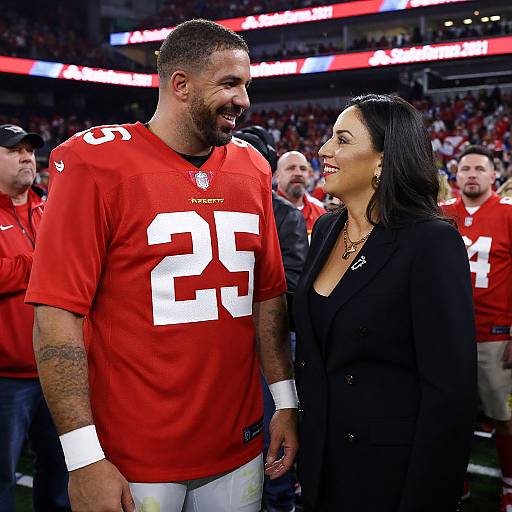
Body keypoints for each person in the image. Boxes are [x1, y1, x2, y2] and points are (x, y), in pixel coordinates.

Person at [25, 19, 298, 512]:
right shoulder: (93, 162)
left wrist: (286, 400)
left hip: (238, 438)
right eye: (231, 84)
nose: (245, 101)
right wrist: (84, 456)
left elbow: (269, 295)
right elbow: (56, 317)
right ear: (180, 85)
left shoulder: (252, 166)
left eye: (247, 86)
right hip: (134, 451)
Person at [293, 94, 477, 512]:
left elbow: (450, 393)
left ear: (382, 159)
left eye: (342, 139)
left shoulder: (431, 241)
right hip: (323, 465)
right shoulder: (325, 229)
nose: (324, 150)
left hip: (390, 475)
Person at [235, 126, 308, 512]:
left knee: (271, 437)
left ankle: (280, 503)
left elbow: (289, 291)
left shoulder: (284, 216)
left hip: (269, 343)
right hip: (225, 345)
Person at [0, 124, 70, 511]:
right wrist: (42, 260)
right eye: (14, 151)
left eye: (30, 151)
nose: (28, 157)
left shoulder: (50, 208)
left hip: (58, 367)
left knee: (60, 472)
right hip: (6, 377)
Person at [442, 145, 512, 512]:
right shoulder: (439, 214)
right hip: (447, 337)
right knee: (451, 416)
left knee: (505, 418)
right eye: (465, 167)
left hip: (494, 334)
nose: (471, 173)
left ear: (493, 176)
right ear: (456, 175)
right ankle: (459, 480)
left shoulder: (508, 213)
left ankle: (509, 486)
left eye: (479, 168)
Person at [274, 151, 326, 239]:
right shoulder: (265, 213)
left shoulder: (321, 215)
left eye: (303, 169)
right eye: (291, 168)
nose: (298, 173)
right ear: (277, 176)